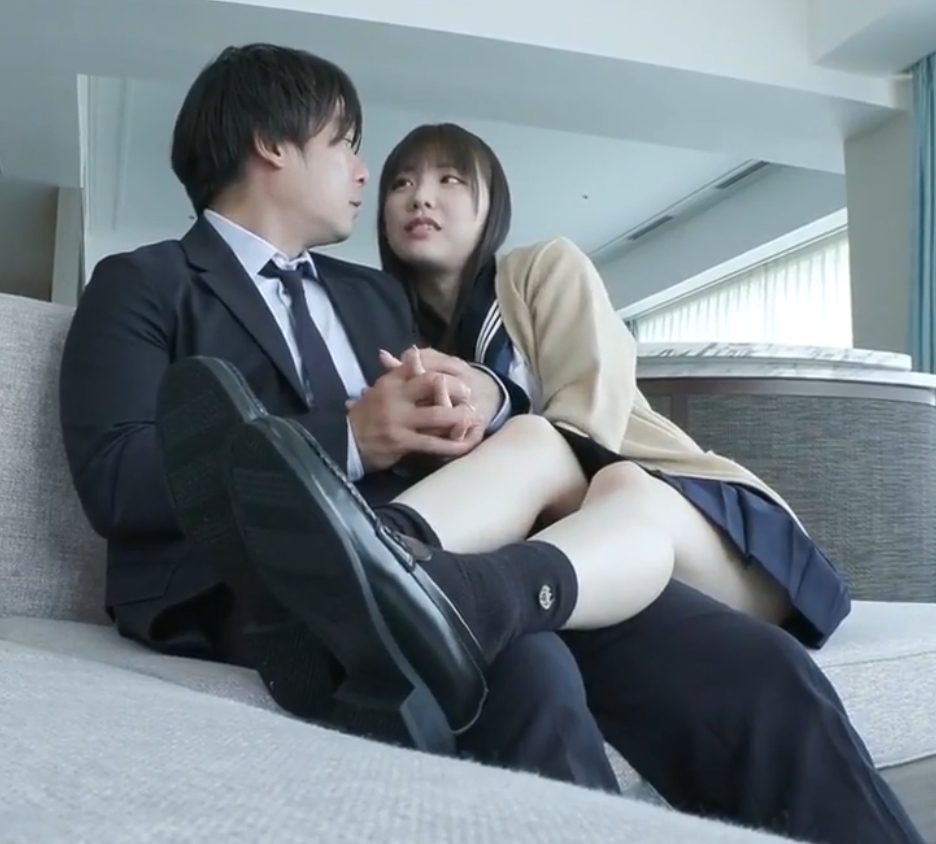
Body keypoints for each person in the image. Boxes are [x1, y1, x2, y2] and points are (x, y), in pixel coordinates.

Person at [58, 44, 923, 844]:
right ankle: (372, 577)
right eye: (347, 144)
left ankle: (409, 574)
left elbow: (478, 439)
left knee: (752, 667)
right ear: (273, 145)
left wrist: (468, 410)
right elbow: (115, 480)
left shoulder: (374, 297)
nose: (364, 172)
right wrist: (349, 437)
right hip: (253, 580)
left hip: (453, 558)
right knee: (524, 667)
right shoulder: (142, 284)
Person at [377, 122, 851, 648]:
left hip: (690, 519)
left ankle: (416, 570)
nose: (420, 197)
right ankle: (371, 562)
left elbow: (589, 420)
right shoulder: (386, 337)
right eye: (400, 184)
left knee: (589, 467)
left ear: (492, 206)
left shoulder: (541, 268)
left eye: (449, 179)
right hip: (582, 556)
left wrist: (495, 402)